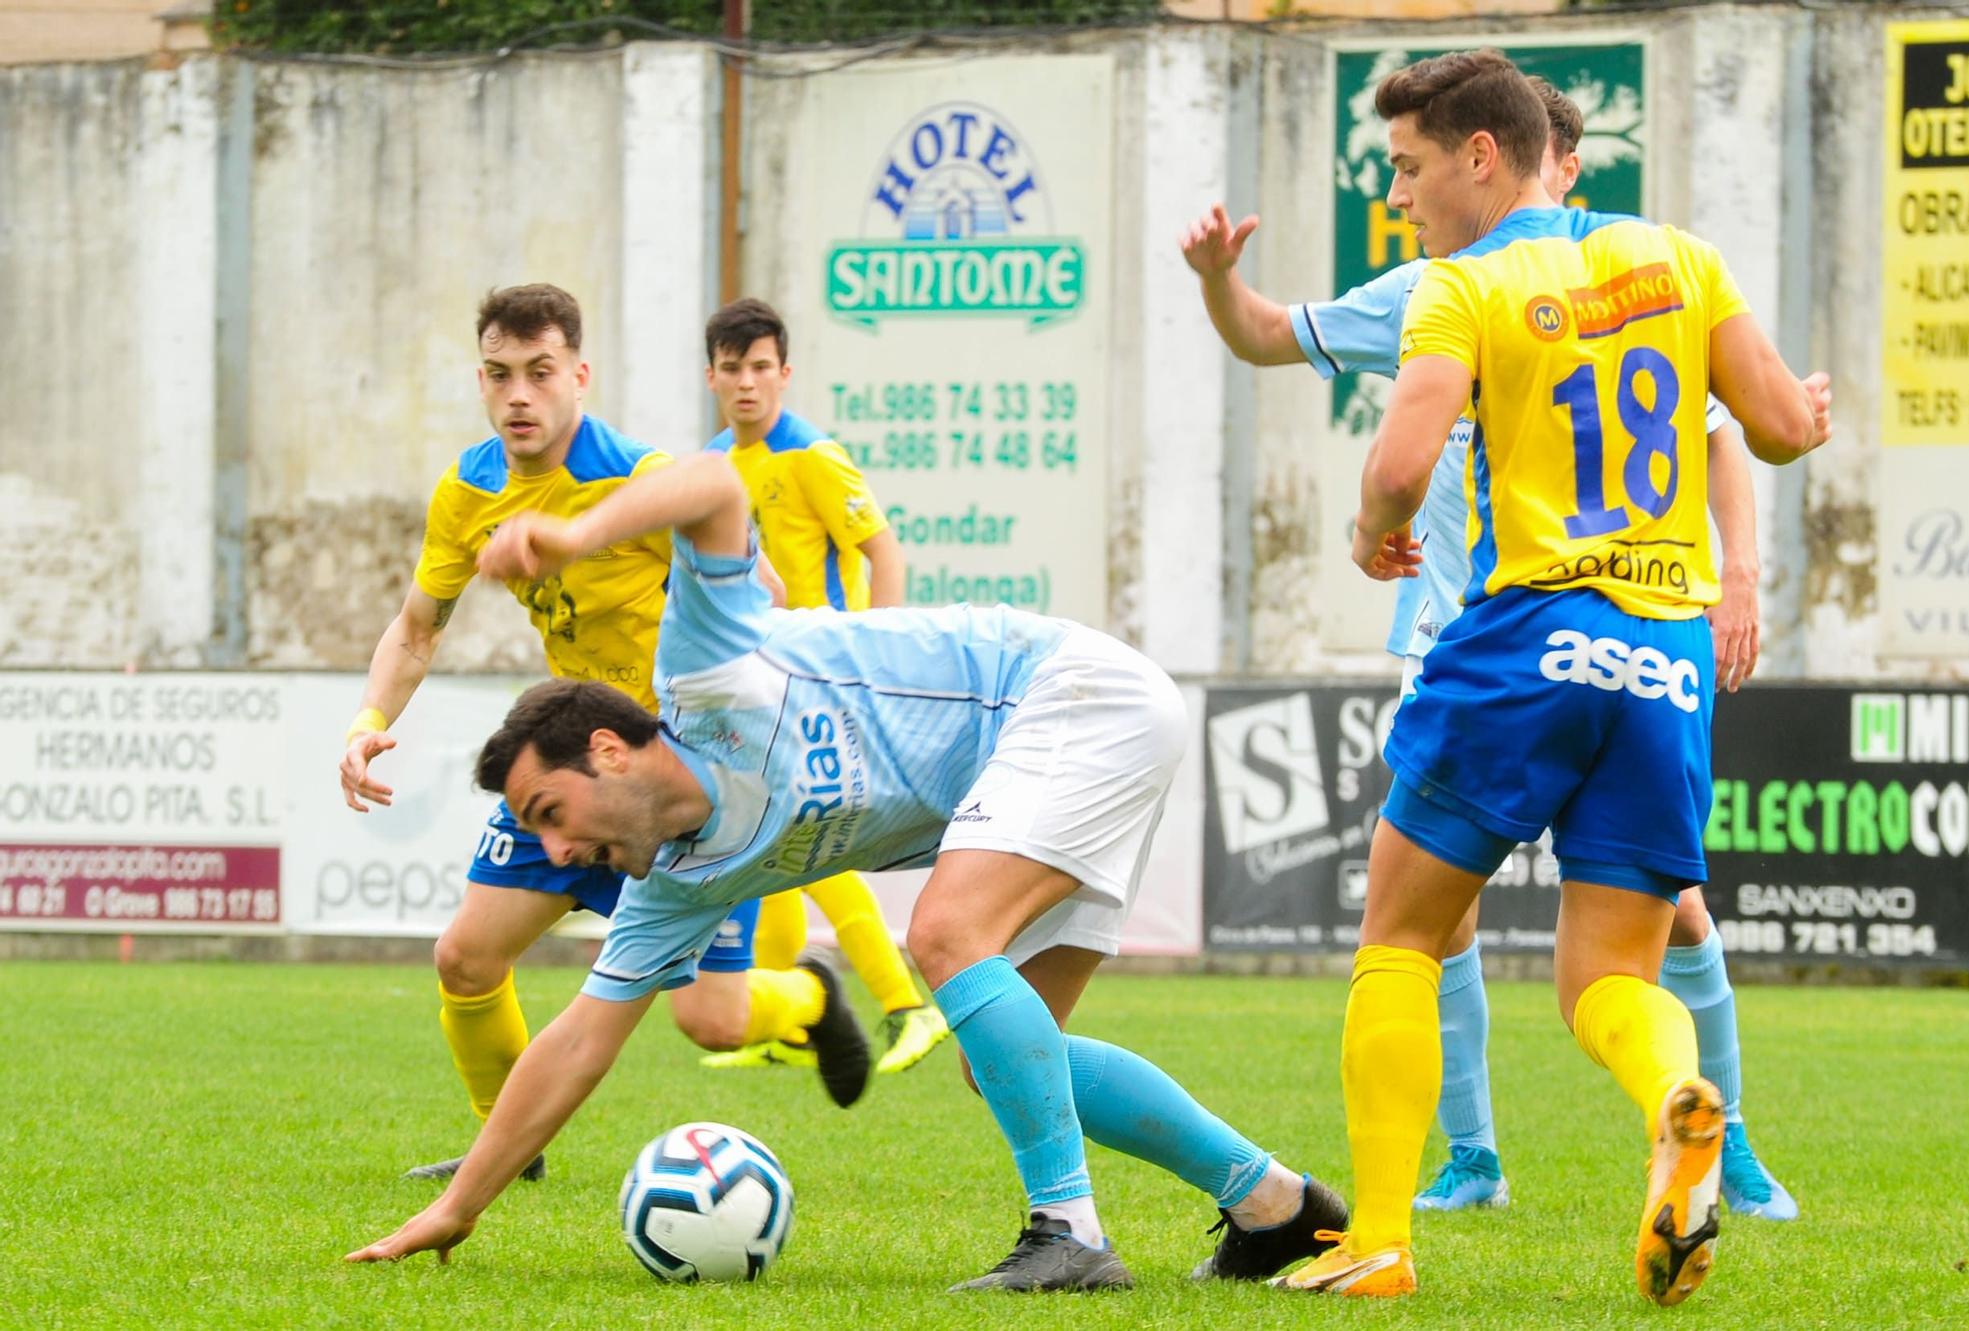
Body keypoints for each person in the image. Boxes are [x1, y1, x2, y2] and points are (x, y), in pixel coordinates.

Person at [345, 450, 1347, 1292]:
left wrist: (573, 534)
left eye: (550, 815)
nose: (557, 853)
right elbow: (574, 1045)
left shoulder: (702, 669)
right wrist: (455, 1204)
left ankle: (1070, 1232)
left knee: (944, 936)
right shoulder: (673, 882)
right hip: (1069, 742)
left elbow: (708, 487)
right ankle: (1276, 1204)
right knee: (996, 1052)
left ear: (609, 750)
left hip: (1069, 693)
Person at [1264, 50, 1829, 1302]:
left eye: (1408, 172)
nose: (1401, 199)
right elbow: (1783, 427)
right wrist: (1807, 412)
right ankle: (1677, 1102)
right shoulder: (1677, 256)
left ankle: (1380, 1243)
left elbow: (1402, 461)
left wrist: (1371, 533)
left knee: (1400, 936)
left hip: (1525, 637)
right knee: (1608, 979)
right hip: (1663, 655)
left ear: (1479, 154)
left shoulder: (1463, 284)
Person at [338, 285, 871, 1182]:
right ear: (481, 381)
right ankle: (507, 1146)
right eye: (501, 375)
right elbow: (417, 628)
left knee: (710, 1018)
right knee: (465, 957)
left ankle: (808, 995)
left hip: (672, 776)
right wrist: (367, 722)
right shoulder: (469, 490)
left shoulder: (637, 477)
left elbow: (765, 594)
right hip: (566, 759)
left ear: (578, 375)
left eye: (540, 372)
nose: (520, 395)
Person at [693, 297, 949, 1077]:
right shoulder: (712, 463)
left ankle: (909, 1004)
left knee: (807, 841)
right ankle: (789, 1025)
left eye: (761, 367)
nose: (747, 383)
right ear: (712, 377)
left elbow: (883, 549)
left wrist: (884, 653)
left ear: (785, 372)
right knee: (770, 844)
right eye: (732, 368)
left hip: (824, 675)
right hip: (754, 679)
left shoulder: (812, 453)